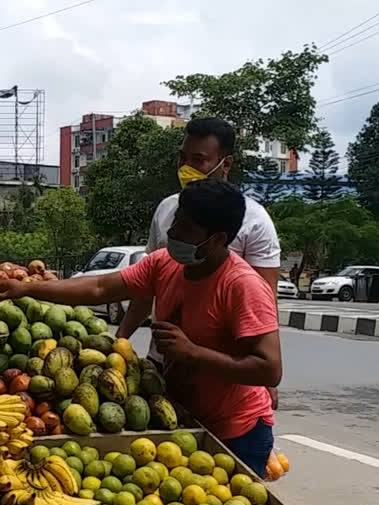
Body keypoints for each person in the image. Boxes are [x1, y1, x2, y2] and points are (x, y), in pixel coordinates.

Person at [0, 180, 282, 476]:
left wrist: (191, 353)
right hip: (183, 420)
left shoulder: (242, 286)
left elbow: (270, 369)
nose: (173, 233)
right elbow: (99, 287)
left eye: (186, 227)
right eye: (176, 221)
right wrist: (25, 288)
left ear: (217, 239)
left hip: (235, 431)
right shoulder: (164, 263)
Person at [116, 117, 281, 408]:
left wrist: (265, 378)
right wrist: (120, 341)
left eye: (199, 159)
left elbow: (265, 305)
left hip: (220, 372)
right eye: (183, 158)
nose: (186, 167)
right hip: (163, 361)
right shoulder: (167, 209)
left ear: (225, 164)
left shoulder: (255, 222)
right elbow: (145, 288)